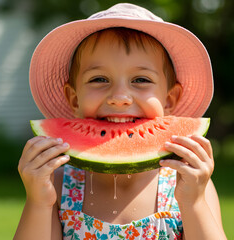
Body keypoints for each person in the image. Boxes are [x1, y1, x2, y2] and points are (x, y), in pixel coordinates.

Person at [14, 3, 227, 240]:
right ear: (74, 99)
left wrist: (194, 203)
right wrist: (39, 202)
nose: (119, 98)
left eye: (141, 79)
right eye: (99, 79)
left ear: (169, 100)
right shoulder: (57, 183)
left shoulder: (188, 183)